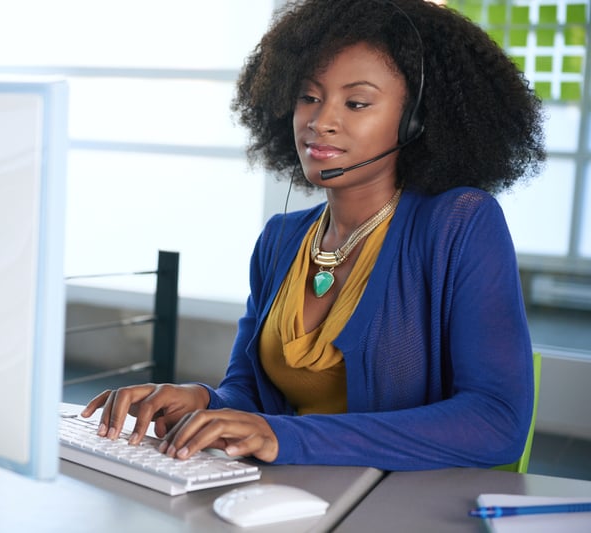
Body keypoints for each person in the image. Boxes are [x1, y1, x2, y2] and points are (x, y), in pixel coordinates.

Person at [81, 0, 545, 470]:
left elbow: (496, 423)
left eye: (357, 102)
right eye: (308, 96)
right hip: (288, 497)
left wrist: (285, 436)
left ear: (416, 121)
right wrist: (201, 401)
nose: (319, 120)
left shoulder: (459, 224)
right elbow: (249, 391)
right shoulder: (280, 241)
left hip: (395, 505)